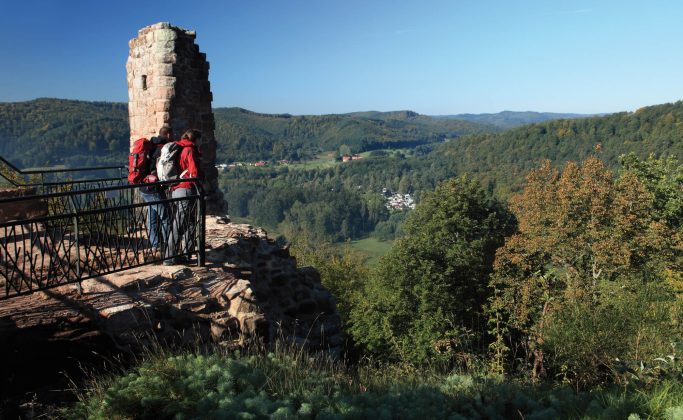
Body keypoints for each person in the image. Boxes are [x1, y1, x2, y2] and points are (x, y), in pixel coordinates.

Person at [164, 129, 201, 266]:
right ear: (195, 139)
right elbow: (194, 171)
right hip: (186, 189)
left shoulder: (179, 147)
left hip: (176, 189)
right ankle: (170, 256)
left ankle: (186, 255)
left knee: (189, 223)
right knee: (179, 223)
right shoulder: (189, 150)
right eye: (200, 139)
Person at [140, 125, 173, 259]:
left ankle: (155, 245)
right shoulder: (163, 149)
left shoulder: (150, 146)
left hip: (144, 186)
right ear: (169, 135)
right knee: (166, 217)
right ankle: (168, 248)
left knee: (153, 217)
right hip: (154, 188)